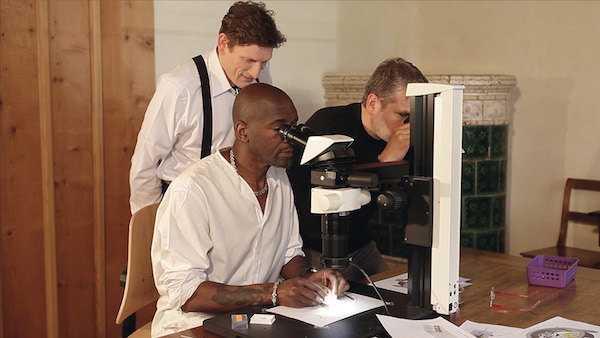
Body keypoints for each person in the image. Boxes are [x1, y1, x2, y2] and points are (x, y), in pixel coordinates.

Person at [150, 83, 349, 337]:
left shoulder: (279, 178)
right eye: (280, 129)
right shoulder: (192, 190)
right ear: (243, 132)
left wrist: (309, 278)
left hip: (256, 319)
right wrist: (274, 292)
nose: (291, 138)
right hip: (194, 325)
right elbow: (187, 293)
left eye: (294, 126)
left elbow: (288, 253)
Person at [129, 1, 286, 214]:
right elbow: (144, 166)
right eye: (248, 60)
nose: (256, 73)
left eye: (264, 62)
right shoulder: (178, 87)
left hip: (238, 205)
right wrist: (150, 225)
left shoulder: (258, 76)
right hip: (184, 207)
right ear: (223, 43)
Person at [287, 57, 428, 282]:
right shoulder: (328, 126)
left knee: (393, 294)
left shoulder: (403, 135)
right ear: (373, 103)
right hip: (316, 247)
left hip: (361, 243)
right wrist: (387, 159)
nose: (407, 126)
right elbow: (329, 202)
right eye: (402, 115)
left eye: (413, 118)